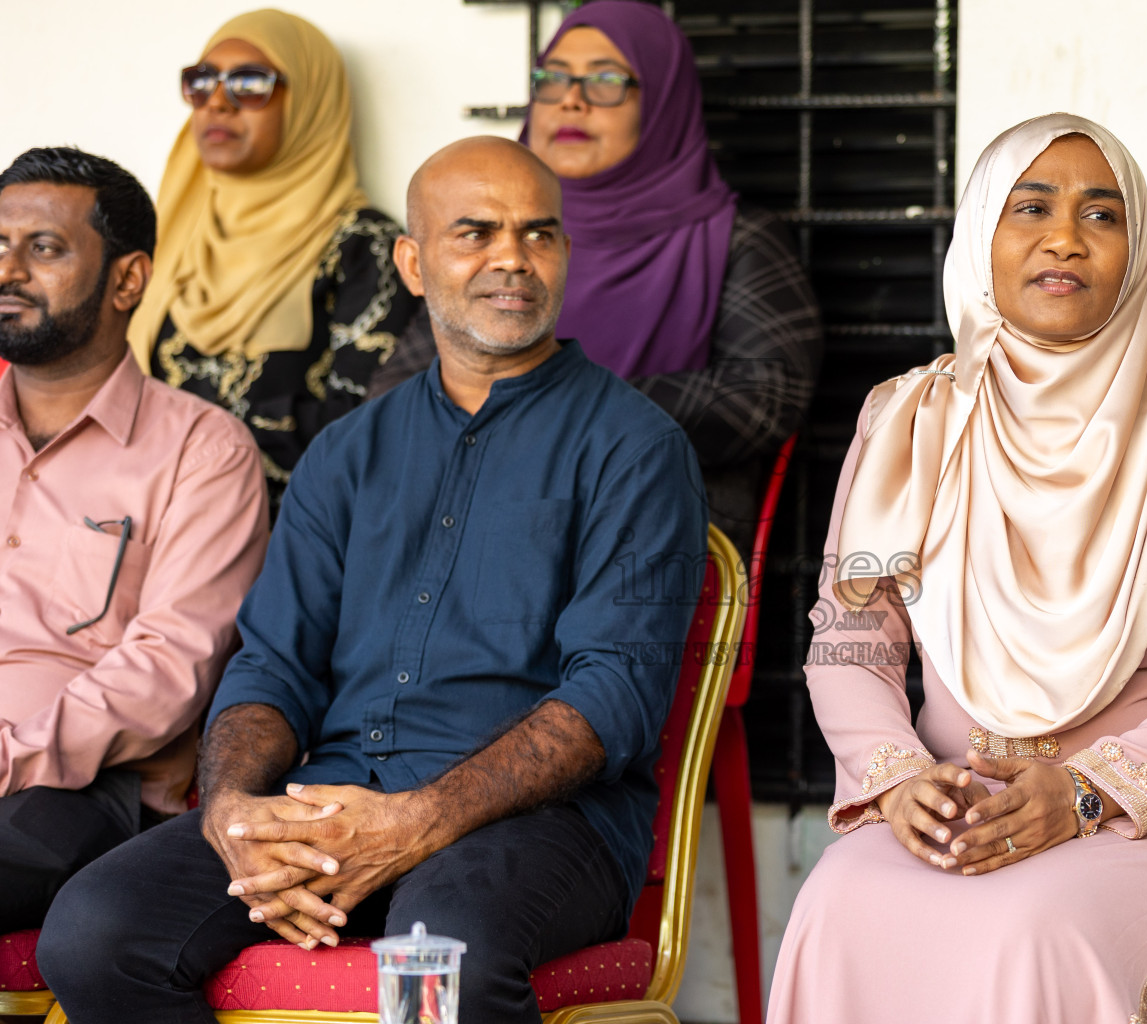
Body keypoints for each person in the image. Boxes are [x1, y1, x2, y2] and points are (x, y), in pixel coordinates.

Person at [39, 136, 709, 1024]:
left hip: (539, 828)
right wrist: (235, 812)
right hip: (332, 799)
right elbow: (272, 667)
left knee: (435, 962)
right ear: (414, 263)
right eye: (475, 232)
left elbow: (615, 693)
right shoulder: (348, 453)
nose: (513, 257)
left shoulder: (635, 448)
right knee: (93, 933)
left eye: (538, 235)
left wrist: (416, 823)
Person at [765, 114, 1147, 1024]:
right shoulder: (905, 420)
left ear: (1135, 247)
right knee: (837, 903)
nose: (1066, 237)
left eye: (1103, 216)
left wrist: (1084, 792)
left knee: (1032, 922)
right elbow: (853, 637)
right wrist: (901, 777)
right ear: (982, 233)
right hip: (961, 808)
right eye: (1032, 207)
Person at [377, 0, 820, 556]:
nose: (571, 99)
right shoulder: (486, 241)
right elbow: (395, 393)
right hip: (475, 525)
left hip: (652, 530)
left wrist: (569, 410)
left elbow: (768, 394)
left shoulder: (735, 237)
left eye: (606, 81)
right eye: (551, 78)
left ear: (663, 103)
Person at [0, 146, 268, 931]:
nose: (9, 269)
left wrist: (14, 753)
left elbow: (168, 669)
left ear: (128, 279)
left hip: (81, 790)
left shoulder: (203, 449)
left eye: (43, 248)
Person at [129, 9, 416, 519]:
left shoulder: (366, 248)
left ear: (311, 101)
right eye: (202, 81)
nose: (218, 102)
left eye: (250, 83)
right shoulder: (169, 234)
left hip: (282, 545)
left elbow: (355, 432)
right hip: (139, 527)